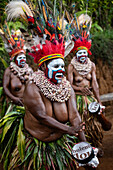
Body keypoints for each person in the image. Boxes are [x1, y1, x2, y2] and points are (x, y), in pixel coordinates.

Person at [67, 37, 103, 147]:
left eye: (84, 52)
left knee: (94, 123)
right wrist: (79, 89)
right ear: (75, 54)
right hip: (78, 99)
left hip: (90, 98)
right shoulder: (71, 66)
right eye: (80, 53)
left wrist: (98, 101)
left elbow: (94, 84)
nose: (83, 55)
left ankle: (96, 145)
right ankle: (83, 146)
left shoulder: (91, 65)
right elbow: (68, 84)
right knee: (81, 122)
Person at [2, 29, 33, 106]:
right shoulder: (9, 71)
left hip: (32, 105)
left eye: (24, 58)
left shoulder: (29, 70)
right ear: (15, 59)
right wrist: (14, 98)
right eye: (20, 58)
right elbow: (5, 87)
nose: (23, 60)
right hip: (17, 106)